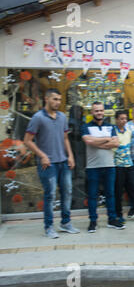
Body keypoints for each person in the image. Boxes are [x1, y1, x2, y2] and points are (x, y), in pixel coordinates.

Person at [24, 88, 80, 238]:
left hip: (63, 162)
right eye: (55, 99)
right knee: (50, 195)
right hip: (48, 164)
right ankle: (49, 227)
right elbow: (27, 141)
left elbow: (65, 138)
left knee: (67, 193)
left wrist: (71, 156)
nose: (58, 102)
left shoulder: (62, 117)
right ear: (46, 98)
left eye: (60, 100)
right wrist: (42, 155)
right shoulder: (38, 117)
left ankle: (65, 223)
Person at [81, 102, 124, 232]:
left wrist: (96, 142)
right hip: (93, 167)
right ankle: (93, 221)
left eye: (101, 110)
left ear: (103, 112)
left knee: (110, 194)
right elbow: (88, 141)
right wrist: (107, 139)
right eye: (96, 111)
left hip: (109, 166)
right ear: (92, 112)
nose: (99, 113)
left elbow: (116, 143)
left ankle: (112, 219)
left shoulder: (110, 127)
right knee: (92, 195)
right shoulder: (86, 127)